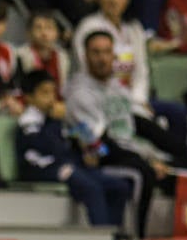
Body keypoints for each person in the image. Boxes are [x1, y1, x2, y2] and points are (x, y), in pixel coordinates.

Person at [72, 0, 187, 171]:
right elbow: (91, 68)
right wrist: (127, 101)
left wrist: (139, 99)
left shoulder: (134, 28)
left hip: (132, 97)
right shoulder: (88, 28)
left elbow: (141, 70)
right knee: (141, 125)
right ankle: (166, 165)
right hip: (104, 98)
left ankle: (185, 162)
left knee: (177, 112)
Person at [65, 30, 171, 239]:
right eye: (96, 53)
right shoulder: (79, 93)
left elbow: (132, 130)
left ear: (114, 56)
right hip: (97, 157)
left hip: (124, 151)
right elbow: (96, 143)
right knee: (143, 173)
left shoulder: (118, 89)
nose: (102, 58)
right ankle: (137, 239)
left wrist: (154, 155)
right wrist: (143, 160)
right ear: (85, 56)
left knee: (175, 168)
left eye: (106, 52)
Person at [16, 69, 131, 229]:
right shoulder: (29, 121)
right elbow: (46, 148)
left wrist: (88, 151)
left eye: (53, 93)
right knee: (91, 188)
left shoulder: (57, 117)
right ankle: (104, 238)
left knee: (119, 186)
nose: (51, 99)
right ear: (29, 97)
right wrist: (54, 123)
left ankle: (116, 237)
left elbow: (94, 146)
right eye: (45, 93)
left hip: (67, 165)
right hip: (41, 167)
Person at [14, 10, 69, 96]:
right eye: (38, 28)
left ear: (57, 33)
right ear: (29, 33)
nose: (44, 33)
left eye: (49, 28)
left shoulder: (62, 56)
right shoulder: (20, 55)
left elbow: (63, 87)